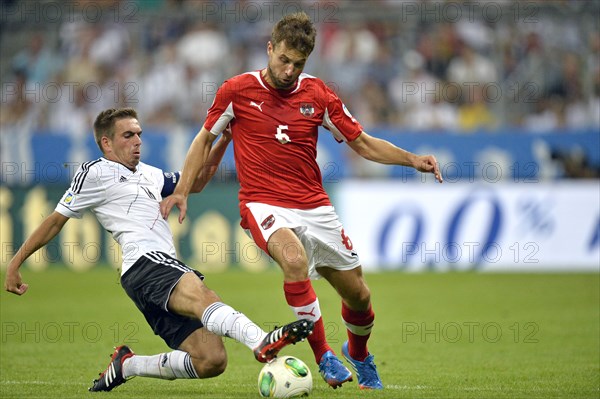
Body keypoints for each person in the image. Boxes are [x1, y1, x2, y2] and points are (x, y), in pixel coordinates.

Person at [160, 12, 443, 391]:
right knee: (293, 260)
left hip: (314, 205)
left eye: (298, 63)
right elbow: (203, 140)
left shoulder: (318, 95)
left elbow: (362, 142)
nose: (290, 70)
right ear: (270, 48)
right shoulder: (236, 90)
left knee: (358, 295)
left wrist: (411, 159)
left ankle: (358, 353)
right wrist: (182, 188)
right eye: (284, 60)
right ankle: (324, 354)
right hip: (262, 203)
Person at [4, 108, 314, 392]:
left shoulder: (149, 173)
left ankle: (129, 364)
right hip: (144, 263)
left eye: (139, 133)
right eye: (128, 135)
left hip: (152, 274)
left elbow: (196, 183)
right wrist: (15, 263)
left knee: (211, 360)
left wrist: (224, 140)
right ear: (107, 143)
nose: (138, 140)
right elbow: (55, 221)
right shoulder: (94, 173)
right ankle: (261, 341)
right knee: (204, 297)